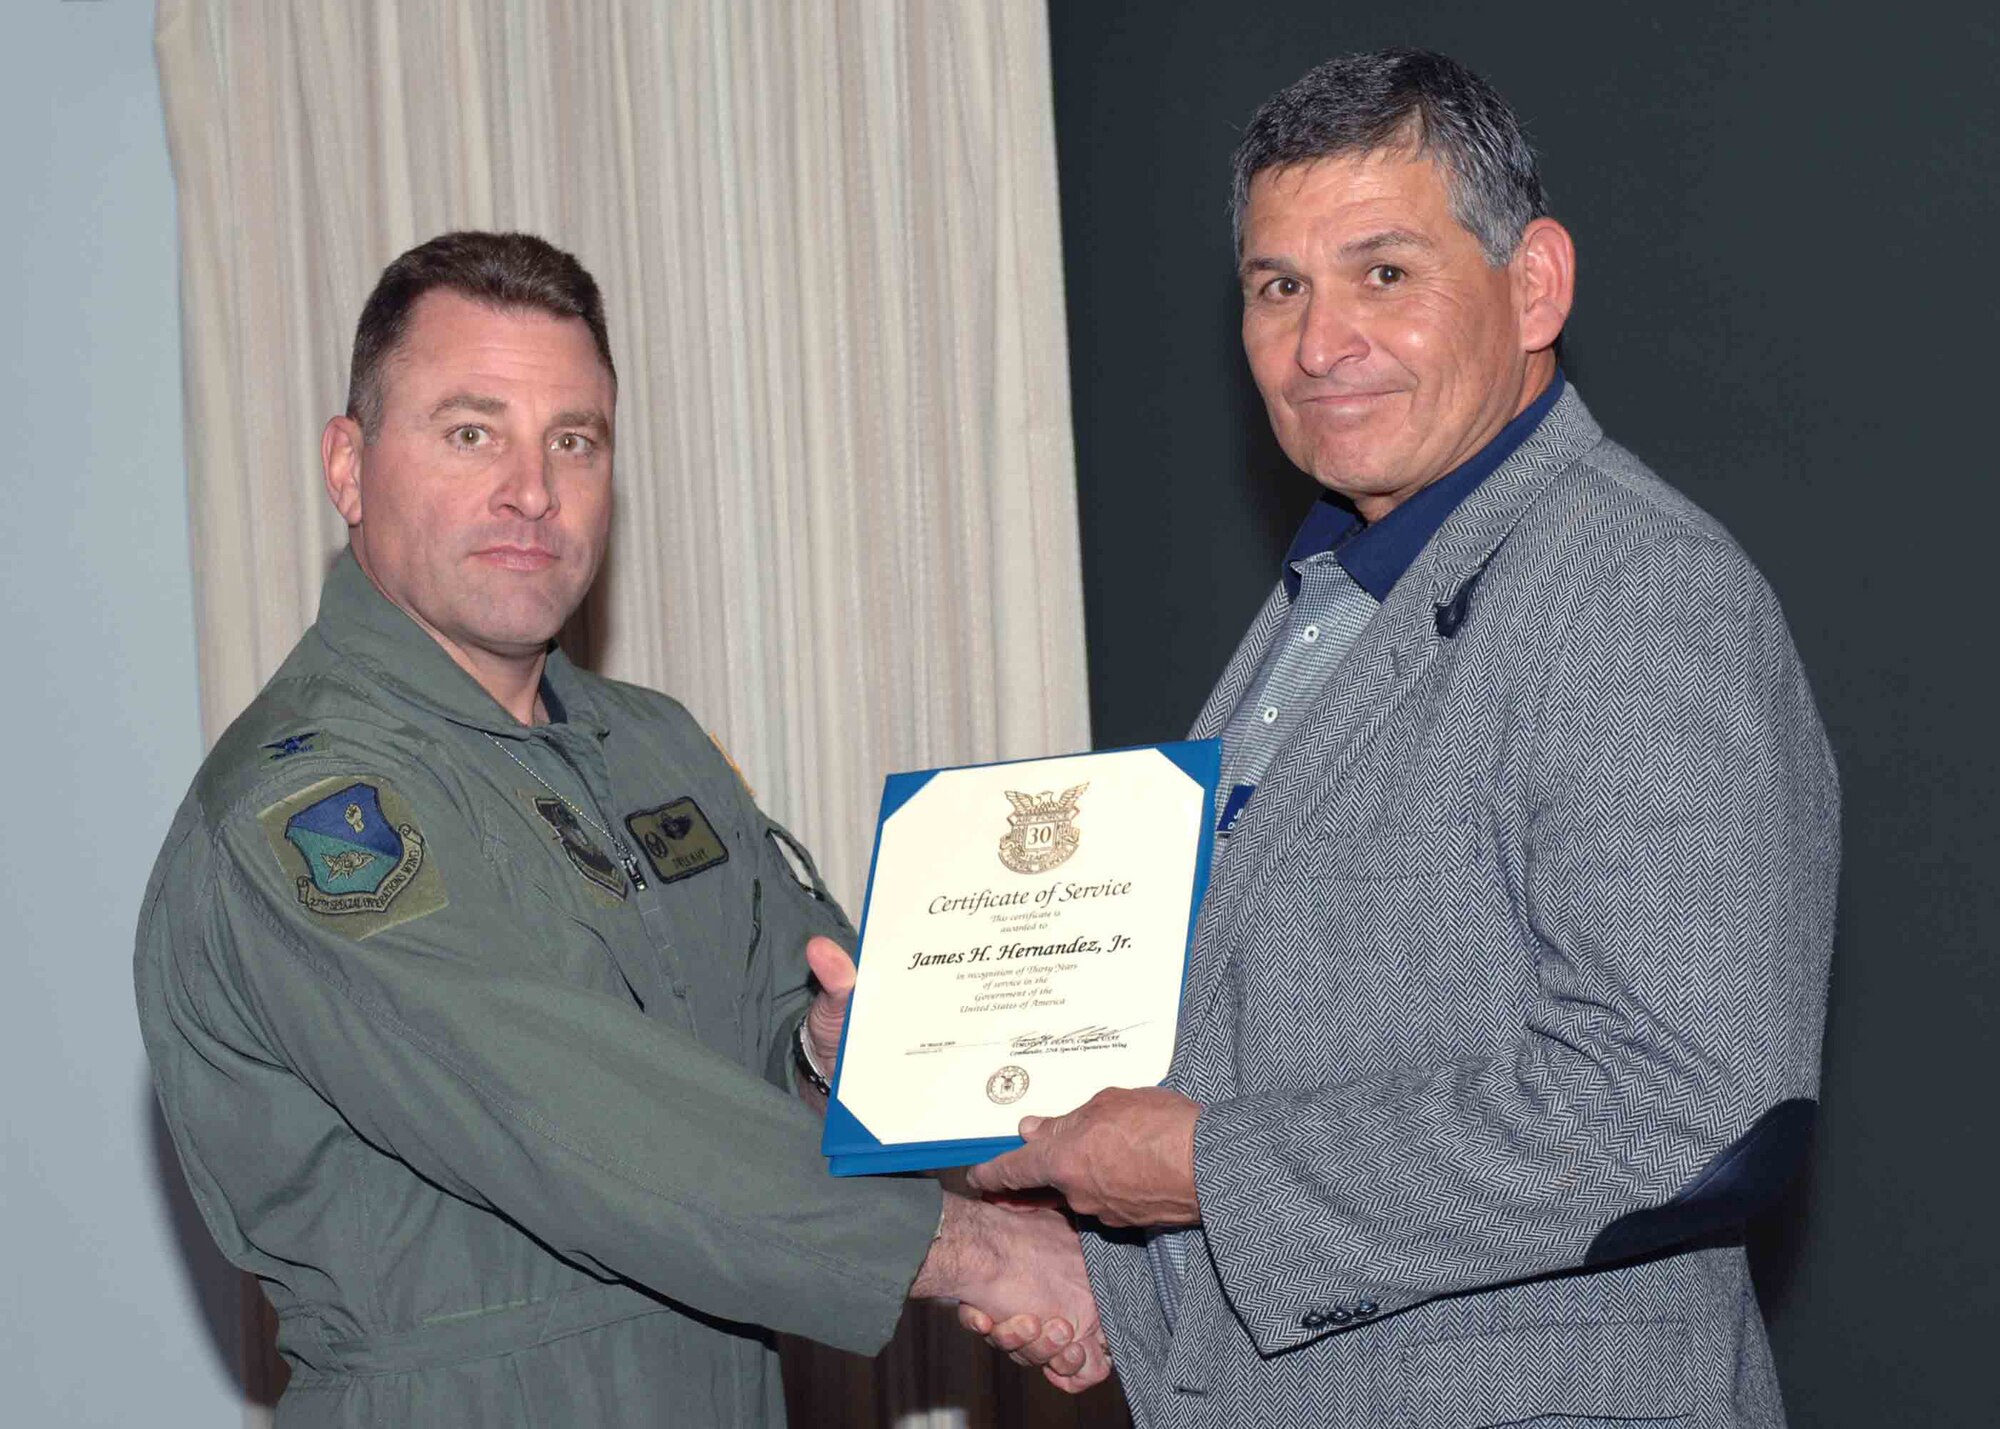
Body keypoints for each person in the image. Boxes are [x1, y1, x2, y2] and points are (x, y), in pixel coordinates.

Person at [966, 49, 1838, 1427]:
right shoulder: (1333, 597)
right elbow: (1273, 1042)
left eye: (1383, 273)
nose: (1320, 344)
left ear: (1533, 286)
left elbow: (1682, 1110)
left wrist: (1205, 1175)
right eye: (1278, 288)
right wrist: (923, 1052)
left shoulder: (1634, 590)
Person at [134, 231, 1106, 1427]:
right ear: (349, 467)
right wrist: (980, 1253)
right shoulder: (310, 811)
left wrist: (824, 1053)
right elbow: (570, 1116)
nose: (531, 490)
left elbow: (759, 1037)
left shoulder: (651, 744)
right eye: (471, 432)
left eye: (574, 441)